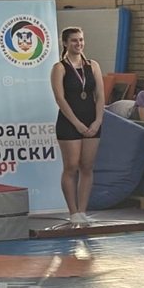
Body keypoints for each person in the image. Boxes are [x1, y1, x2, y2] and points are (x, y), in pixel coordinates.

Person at [51, 27, 105, 227]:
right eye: (74, 40)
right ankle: (73, 212)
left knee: (87, 167)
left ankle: (83, 211)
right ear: (65, 43)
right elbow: (60, 98)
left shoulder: (93, 65)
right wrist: (76, 123)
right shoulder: (60, 68)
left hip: (91, 121)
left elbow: (100, 95)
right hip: (69, 122)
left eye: (81, 40)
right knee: (71, 166)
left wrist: (98, 121)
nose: (78, 44)